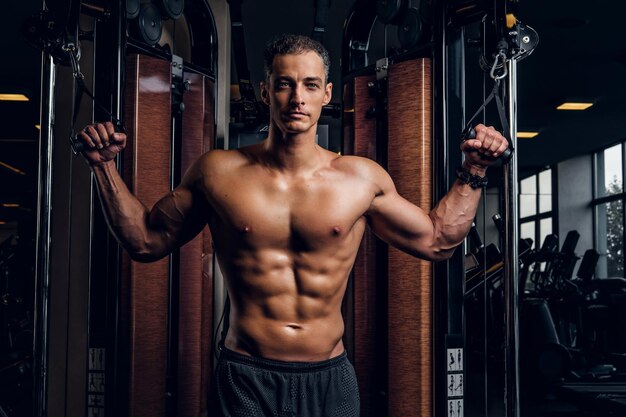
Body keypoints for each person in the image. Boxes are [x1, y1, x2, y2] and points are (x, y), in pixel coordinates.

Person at [78, 34, 508, 417]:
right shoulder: (218, 172)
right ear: (267, 93)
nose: (297, 98)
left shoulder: (361, 179)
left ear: (327, 95)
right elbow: (146, 242)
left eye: (310, 85)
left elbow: (437, 243)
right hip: (246, 374)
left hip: (329, 376)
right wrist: (104, 168)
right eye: (284, 84)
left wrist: (472, 171)